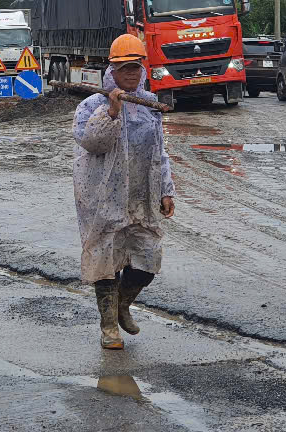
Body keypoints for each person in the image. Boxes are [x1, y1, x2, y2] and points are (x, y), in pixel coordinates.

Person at [72, 33, 175, 350]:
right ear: (112, 69)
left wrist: (166, 190)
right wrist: (112, 112)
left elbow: (160, 152)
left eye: (136, 68)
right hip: (102, 199)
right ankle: (108, 328)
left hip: (140, 198)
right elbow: (92, 143)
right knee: (105, 259)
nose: (131, 74)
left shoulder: (149, 107)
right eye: (124, 68)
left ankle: (122, 306)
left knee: (147, 257)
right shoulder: (92, 106)